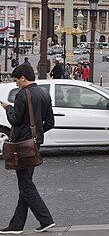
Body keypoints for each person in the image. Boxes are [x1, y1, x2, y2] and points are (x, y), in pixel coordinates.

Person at [0, 64, 55, 234]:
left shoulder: (23, 94)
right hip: (34, 144)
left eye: (16, 80)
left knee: (26, 185)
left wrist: (8, 108)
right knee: (25, 184)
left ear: (23, 78)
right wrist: (36, 136)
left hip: (22, 146)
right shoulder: (45, 93)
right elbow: (50, 123)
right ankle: (16, 226)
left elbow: (15, 120)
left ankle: (45, 219)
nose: (16, 84)